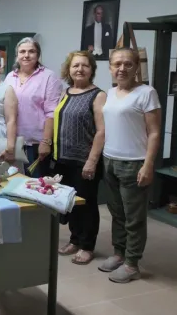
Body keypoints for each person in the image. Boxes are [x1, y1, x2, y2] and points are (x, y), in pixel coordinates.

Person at [98, 48, 161, 283]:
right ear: (110, 68)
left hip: (134, 163)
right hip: (109, 160)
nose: (122, 68)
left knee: (134, 218)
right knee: (117, 213)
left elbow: (154, 133)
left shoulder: (147, 93)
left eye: (128, 64)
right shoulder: (110, 93)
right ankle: (119, 253)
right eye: (117, 64)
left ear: (136, 67)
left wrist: (148, 164)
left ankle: (132, 264)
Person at [53, 50, 106, 265]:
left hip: (85, 161)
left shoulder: (98, 95)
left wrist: (92, 161)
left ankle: (87, 245)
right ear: (69, 69)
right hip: (63, 159)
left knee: (87, 204)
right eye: (75, 65)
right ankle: (74, 239)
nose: (80, 69)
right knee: (71, 203)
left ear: (92, 69)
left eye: (85, 65)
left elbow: (101, 131)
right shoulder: (65, 92)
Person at [4, 38, 62, 177]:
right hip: (12, 141)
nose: (26, 55)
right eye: (22, 51)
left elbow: (51, 112)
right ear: (17, 55)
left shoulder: (48, 76)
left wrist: (46, 141)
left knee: (34, 184)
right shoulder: (10, 76)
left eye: (31, 51)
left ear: (38, 55)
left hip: (36, 143)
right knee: (12, 181)